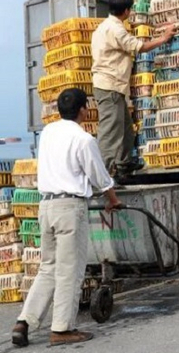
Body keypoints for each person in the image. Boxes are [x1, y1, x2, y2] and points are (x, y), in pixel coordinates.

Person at [11, 88, 122, 347]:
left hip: (46, 207)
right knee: (70, 272)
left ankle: (24, 322)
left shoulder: (48, 133)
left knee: (48, 268)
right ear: (84, 109)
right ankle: (62, 329)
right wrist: (113, 200)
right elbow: (99, 176)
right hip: (70, 209)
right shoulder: (84, 140)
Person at [91, 0, 175, 177]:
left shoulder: (103, 27)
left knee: (126, 129)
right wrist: (163, 38)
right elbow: (139, 47)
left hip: (114, 87)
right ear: (127, 11)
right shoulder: (116, 29)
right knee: (110, 133)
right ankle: (102, 177)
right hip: (109, 86)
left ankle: (124, 165)